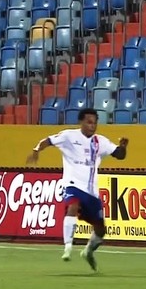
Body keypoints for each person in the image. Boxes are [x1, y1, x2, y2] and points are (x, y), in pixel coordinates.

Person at [26, 108, 128, 271]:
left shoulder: (100, 141)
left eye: (94, 122)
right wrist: (36, 150)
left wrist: (123, 146)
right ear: (81, 122)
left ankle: (88, 252)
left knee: (101, 229)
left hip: (91, 192)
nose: (92, 125)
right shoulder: (69, 136)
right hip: (72, 184)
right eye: (88, 122)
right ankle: (67, 247)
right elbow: (48, 141)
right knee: (72, 207)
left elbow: (120, 155)